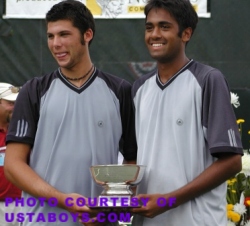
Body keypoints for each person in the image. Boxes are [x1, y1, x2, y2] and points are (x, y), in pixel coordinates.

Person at [4, 1, 136, 226]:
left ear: (87, 34)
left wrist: (109, 207)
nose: (56, 44)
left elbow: (132, 161)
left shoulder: (120, 91)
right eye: (50, 36)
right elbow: (13, 165)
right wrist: (63, 200)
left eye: (64, 34)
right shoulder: (33, 90)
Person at [130, 0, 243, 225]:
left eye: (164, 26)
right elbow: (134, 159)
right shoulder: (139, 88)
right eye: (149, 27)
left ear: (186, 34)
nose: (154, 34)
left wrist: (166, 201)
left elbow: (232, 161)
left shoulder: (208, 80)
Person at [0, 83, 21, 226]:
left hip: (25, 204)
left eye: (16, 103)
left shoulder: (24, 129)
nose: (14, 107)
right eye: (10, 103)